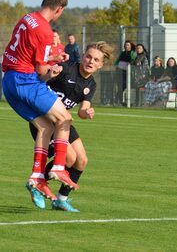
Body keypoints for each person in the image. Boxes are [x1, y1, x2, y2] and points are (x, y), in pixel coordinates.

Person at [1, 0, 79, 207]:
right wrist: (53, 68)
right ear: (59, 9)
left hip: (9, 81)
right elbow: (41, 70)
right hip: (25, 80)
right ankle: (58, 167)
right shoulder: (45, 31)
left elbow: (30, 54)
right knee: (64, 118)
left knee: (45, 126)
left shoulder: (27, 19)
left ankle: (37, 175)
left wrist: (52, 56)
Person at [28, 41, 113, 212]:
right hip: (46, 121)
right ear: (82, 56)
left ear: (101, 65)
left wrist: (87, 113)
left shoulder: (91, 84)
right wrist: (48, 75)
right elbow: (40, 80)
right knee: (69, 158)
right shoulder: (66, 68)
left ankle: (61, 200)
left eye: (96, 60)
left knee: (81, 160)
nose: (91, 61)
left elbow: (82, 111)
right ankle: (36, 182)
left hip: (63, 122)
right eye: (88, 56)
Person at [114, 40, 136, 105]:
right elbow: (117, 61)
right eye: (125, 45)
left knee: (124, 86)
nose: (126, 46)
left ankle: (118, 99)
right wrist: (116, 66)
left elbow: (133, 60)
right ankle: (119, 101)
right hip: (119, 71)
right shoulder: (122, 53)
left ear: (131, 46)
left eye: (128, 45)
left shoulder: (132, 53)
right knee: (119, 86)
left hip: (127, 72)